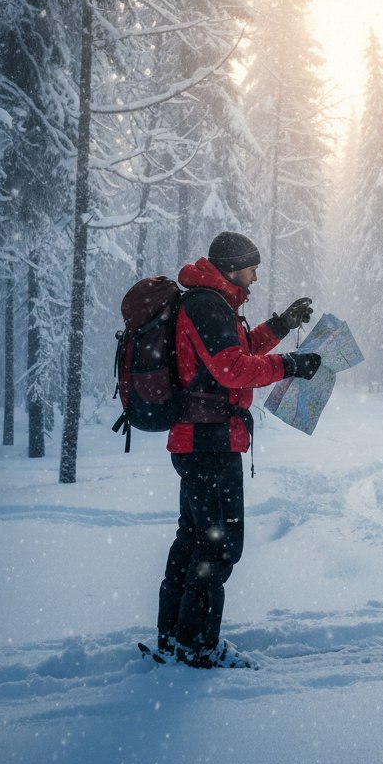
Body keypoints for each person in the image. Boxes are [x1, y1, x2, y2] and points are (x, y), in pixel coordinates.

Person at [156, 231, 321, 667]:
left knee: (193, 539)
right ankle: (198, 648)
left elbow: (236, 351)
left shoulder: (211, 302)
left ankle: (174, 640)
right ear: (232, 268)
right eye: (251, 268)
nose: (255, 276)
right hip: (208, 442)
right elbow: (232, 369)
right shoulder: (207, 305)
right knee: (218, 546)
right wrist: (290, 365)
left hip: (201, 440)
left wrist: (281, 325)